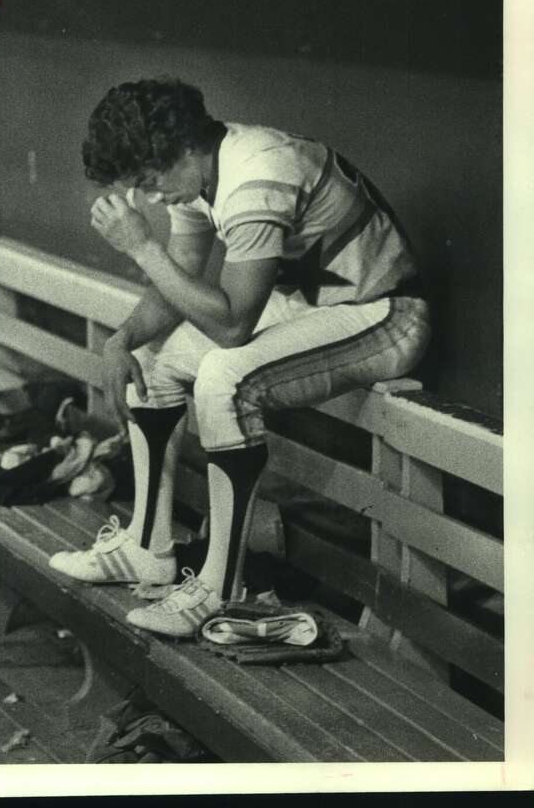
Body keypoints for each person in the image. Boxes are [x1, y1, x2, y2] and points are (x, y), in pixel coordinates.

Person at [48, 78, 430, 637]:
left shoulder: (255, 173)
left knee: (226, 378)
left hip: (387, 316)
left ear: (182, 149)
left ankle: (219, 588)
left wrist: (139, 246)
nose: (151, 198)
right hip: (313, 309)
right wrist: (122, 337)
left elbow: (230, 326)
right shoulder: (202, 172)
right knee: (153, 357)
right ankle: (147, 547)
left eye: (151, 182)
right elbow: (177, 284)